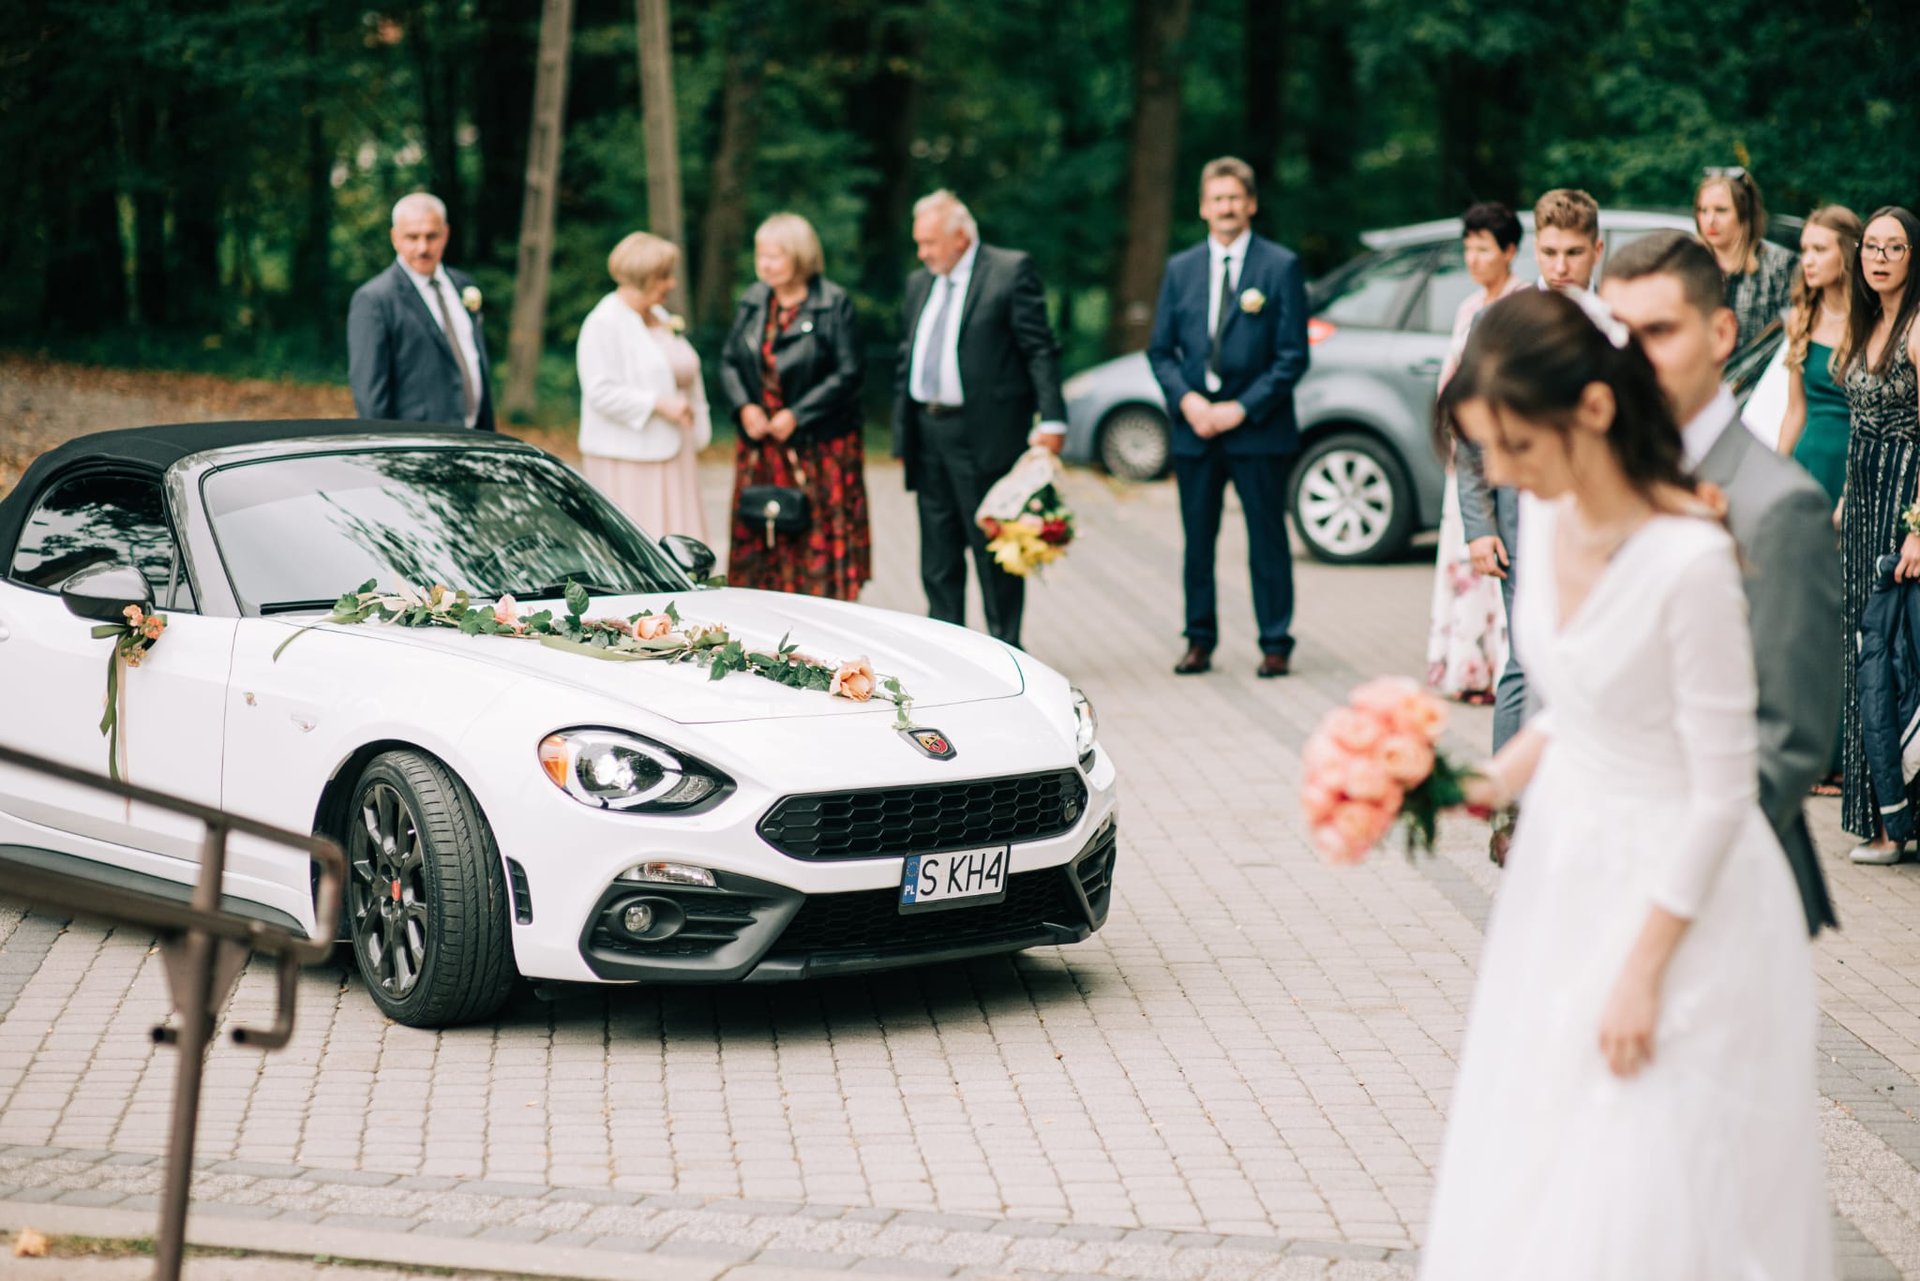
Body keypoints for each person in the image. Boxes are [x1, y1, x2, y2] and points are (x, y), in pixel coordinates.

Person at [1423, 286, 1830, 1280]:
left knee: (1651, 1176)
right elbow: (1580, 707)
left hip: (1682, 901)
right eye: (1490, 454)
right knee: (1545, 1167)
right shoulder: (1554, 528)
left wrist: (1644, 969)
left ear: (1594, 411)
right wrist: (1478, 780)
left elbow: (1725, 787)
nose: (1507, 474)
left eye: (1518, 447)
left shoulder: (1690, 558)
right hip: (1565, 878)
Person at [1600, 228, 1839, 934]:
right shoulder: (1613, 483)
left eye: (1659, 332)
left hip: (1723, 892)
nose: (1634, 360)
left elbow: (1788, 742)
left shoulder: (1778, 504)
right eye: (1620, 335)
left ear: (1721, 332)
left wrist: (1665, 879)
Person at [1146, 156, 1311, 678]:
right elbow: (1160, 351)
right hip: (1195, 430)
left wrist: (1240, 408)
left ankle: (1275, 640)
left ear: (1251, 204)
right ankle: (1199, 639)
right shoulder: (1181, 269)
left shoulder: (1279, 266)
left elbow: (1293, 355)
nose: (1226, 207)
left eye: (1235, 198)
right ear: (1202, 207)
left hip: (1257, 429)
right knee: (1198, 542)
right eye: (1217, 199)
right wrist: (1191, 404)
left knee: (1266, 538)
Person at [1457, 189, 1605, 756]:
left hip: (1599, 522)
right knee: (1525, 656)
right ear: (1534, 252)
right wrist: (1479, 524)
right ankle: (1509, 818)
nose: (1561, 267)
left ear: (1596, 249)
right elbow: (1468, 433)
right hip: (1522, 517)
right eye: (1549, 253)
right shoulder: (1499, 322)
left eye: (1572, 253)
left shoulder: (1615, 326)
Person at [893, 191, 1066, 646]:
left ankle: (1007, 649)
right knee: (938, 553)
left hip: (986, 433)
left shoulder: (1008, 272)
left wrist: (1052, 420)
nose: (923, 253)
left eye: (930, 243)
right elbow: (905, 358)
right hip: (928, 433)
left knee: (993, 550)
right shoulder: (919, 283)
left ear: (961, 237)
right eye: (919, 243)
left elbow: (1039, 349)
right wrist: (901, 436)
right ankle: (949, 649)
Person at [719, 213, 870, 600]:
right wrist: (744, 408)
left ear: (800, 257)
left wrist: (797, 415)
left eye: (775, 256)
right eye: (760, 255)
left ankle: (822, 611)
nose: (764, 264)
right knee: (762, 528)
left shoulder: (833, 304)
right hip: (762, 445)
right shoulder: (754, 302)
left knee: (813, 537)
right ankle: (760, 608)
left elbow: (849, 373)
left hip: (818, 446)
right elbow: (730, 362)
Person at [1837, 206, 1920, 864]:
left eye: (1895, 247)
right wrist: (1843, 496)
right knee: (1859, 653)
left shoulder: (1918, 327)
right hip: (1862, 500)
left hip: (1902, 502)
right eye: (1871, 246)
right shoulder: (1863, 321)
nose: (1881, 257)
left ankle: (1899, 821)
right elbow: (1861, 420)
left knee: (1891, 661)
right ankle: (1874, 816)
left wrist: (1919, 528)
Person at [1428, 202, 1528, 703]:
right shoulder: (1469, 306)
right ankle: (1468, 666)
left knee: (1501, 572)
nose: (1473, 258)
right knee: (1466, 562)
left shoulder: (1518, 306)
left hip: (1498, 459)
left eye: (1483, 248)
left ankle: (1498, 669)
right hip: (1464, 449)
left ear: (1509, 251)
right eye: (1467, 248)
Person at [575, 232, 710, 541]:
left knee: (680, 539)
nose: (671, 284)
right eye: (664, 276)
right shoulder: (604, 323)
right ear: (642, 278)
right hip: (630, 457)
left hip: (674, 450)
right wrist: (660, 404)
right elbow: (600, 392)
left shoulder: (659, 316)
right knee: (646, 539)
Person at [348, 193, 495, 432]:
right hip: (418, 450)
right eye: (412, 237)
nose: (423, 247)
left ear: (445, 234)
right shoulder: (375, 299)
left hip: (475, 441)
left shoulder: (463, 285)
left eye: (431, 236)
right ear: (395, 238)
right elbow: (370, 397)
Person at [1775, 206, 1864, 505]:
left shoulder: (1873, 323)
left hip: (1854, 467)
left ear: (1847, 254)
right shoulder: (1803, 318)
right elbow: (1795, 410)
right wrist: (1775, 470)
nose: (1807, 261)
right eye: (1804, 250)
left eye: (1820, 249)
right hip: (1807, 459)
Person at [1694, 166, 1798, 357]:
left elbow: (1793, 337)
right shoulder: (1689, 266)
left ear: (1744, 214)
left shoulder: (1779, 265)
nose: (1710, 220)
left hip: (1762, 382)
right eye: (1703, 210)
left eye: (1721, 210)